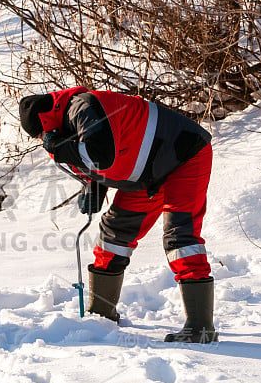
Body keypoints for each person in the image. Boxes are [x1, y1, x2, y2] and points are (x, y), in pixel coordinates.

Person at [20, 86, 218, 343]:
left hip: (185, 154)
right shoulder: (68, 121)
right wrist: (95, 186)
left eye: (40, 135)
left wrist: (65, 150)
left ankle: (201, 327)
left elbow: (102, 151)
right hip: (146, 172)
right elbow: (113, 147)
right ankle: (102, 314)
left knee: (180, 237)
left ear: (45, 121)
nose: (42, 140)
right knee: (114, 232)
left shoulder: (82, 107)